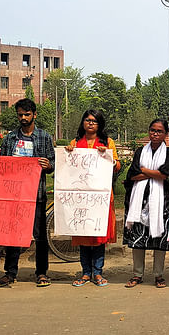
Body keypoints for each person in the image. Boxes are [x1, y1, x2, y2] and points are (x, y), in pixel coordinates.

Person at [0, 98, 55, 288]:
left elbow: (52, 163)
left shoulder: (44, 137)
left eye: (27, 114)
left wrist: (48, 165)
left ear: (34, 114)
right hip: (13, 195)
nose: (23, 118)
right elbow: (2, 164)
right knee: (13, 234)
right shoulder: (10, 138)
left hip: (36, 194)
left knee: (40, 235)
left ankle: (41, 273)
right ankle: (10, 273)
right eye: (20, 115)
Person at [65, 110, 121, 288]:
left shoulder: (108, 143)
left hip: (100, 197)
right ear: (82, 122)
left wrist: (108, 156)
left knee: (98, 236)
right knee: (83, 235)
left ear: (100, 125)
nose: (90, 124)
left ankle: (98, 272)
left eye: (94, 121)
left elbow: (117, 166)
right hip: (80, 197)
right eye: (87, 120)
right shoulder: (75, 143)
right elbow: (67, 168)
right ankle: (85, 273)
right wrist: (68, 153)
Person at [124, 119, 169, 289]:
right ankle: (137, 274)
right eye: (152, 130)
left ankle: (158, 275)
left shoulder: (168, 152)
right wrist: (154, 173)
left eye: (159, 131)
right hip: (139, 199)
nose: (155, 134)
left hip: (162, 200)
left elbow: (165, 174)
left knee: (158, 237)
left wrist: (144, 170)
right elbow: (132, 175)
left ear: (165, 135)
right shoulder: (141, 151)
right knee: (138, 236)